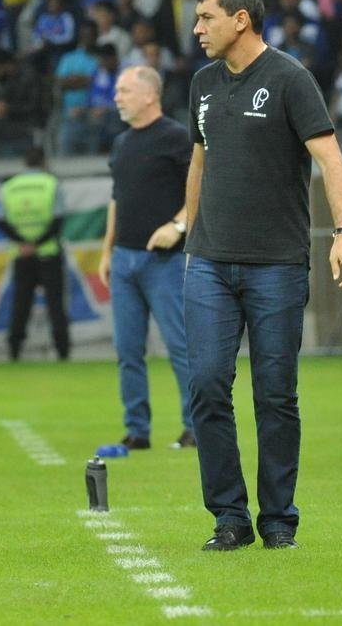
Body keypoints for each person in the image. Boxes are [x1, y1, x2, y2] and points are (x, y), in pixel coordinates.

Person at [184, 0, 342, 552]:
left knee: (275, 393)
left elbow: (332, 160)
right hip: (209, 260)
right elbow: (199, 161)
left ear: (240, 19)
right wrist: (187, 232)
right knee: (208, 385)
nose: (197, 29)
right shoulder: (202, 84)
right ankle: (228, 517)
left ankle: (278, 519)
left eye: (206, 17)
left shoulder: (290, 78)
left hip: (276, 265)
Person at [97, 66, 195, 451]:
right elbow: (116, 199)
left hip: (165, 261)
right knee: (127, 351)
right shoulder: (121, 143)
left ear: (150, 95)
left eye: (123, 90)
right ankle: (137, 429)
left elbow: (199, 188)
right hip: (124, 260)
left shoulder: (177, 137)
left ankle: (195, 426)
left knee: (181, 346)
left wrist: (179, 225)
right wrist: (107, 249)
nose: (116, 97)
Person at [0, 148, 70, 361]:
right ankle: (63, 352)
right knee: (56, 305)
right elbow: (58, 220)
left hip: (21, 255)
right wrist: (37, 243)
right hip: (48, 253)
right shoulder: (51, 184)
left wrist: (23, 243)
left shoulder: (10, 186)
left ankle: (14, 351)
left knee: (20, 305)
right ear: (44, 162)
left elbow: (1, 222)